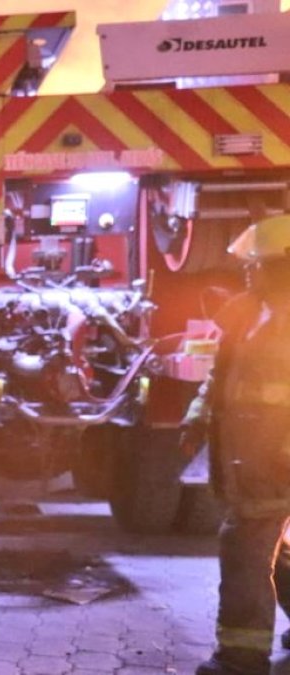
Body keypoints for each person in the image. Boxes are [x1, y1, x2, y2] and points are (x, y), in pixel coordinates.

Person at [183, 215, 290, 675]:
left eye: (258, 264)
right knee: (274, 549)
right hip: (249, 454)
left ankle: (242, 658)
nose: (249, 271)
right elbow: (219, 376)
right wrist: (197, 416)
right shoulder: (247, 312)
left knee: (245, 549)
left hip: (274, 458)